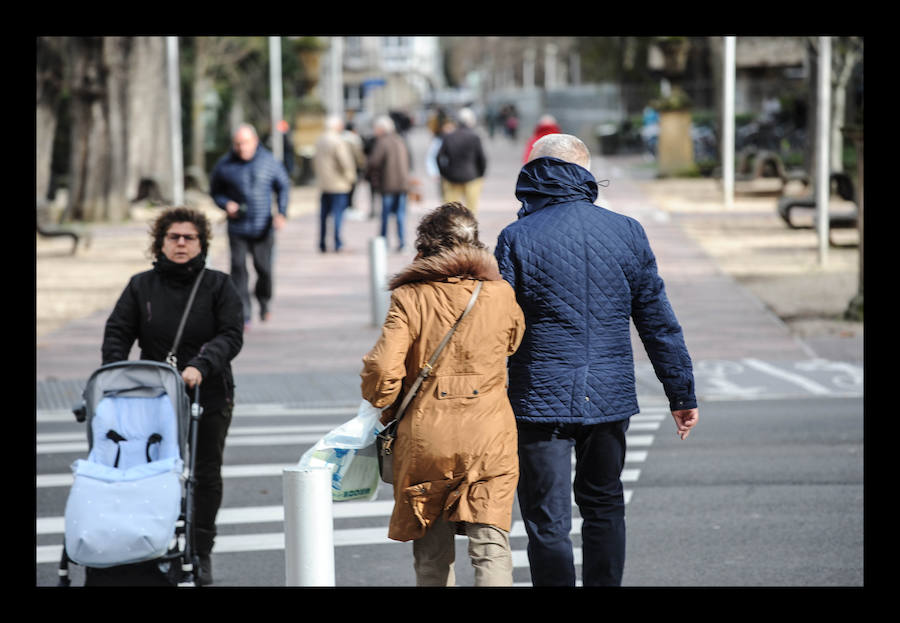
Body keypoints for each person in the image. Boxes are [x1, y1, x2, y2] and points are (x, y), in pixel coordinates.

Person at [494, 133, 699, 587]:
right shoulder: (627, 231)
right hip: (609, 395)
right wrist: (681, 393)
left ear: (534, 174)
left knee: (547, 519)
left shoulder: (515, 237)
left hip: (538, 398)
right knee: (604, 504)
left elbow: (496, 329)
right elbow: (657, 321)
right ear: (586, 175)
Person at [361, 202, 526, 586]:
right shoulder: (500, 293)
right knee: (491, 548)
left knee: (432, 556)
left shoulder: (410, 297)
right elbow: (514, 342)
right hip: (490, 437)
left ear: (425, 247)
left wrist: (379, 397)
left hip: (426, 439)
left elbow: (384, 371)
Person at [101, 206, 244, 586]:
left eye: (189, 237)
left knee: (204, 475)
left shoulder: (218, 285)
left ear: (201, 243)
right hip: (153, 398)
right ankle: (151, 546)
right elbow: (117, 332)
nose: (181, 243)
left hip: (208, 393)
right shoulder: (140, 285)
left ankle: (200, 550)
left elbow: (231, 334)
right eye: (174, 237)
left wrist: (201, 364)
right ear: (161, 242)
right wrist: (115, 374)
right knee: (151, 471)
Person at [209, 123, 290, 329]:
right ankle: (243, 312)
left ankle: (264, 302)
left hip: (263, 226)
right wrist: (225, 204)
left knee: (264, 269)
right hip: (237, 227)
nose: (241, 148)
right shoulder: (225, 164)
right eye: (237, 144)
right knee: (238, 269)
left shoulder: (269, 161)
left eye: (245, 143)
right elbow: (215, 191)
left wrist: (281, 212)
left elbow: (283, 186)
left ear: (254, 141)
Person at [366, 115, 410, 252]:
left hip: (388, 184)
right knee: (400, 215)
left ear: (381, 129)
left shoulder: (382, 142)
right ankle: (402, 242)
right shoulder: (400, 140)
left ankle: (383, 241)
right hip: (402, 184)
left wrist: (369, 174)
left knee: (385, 215)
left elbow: (374, 162)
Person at [313, 115, 357, 253]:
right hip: (338, 184)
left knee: (324, 216)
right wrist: (351, 177)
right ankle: (337, 243)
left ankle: (322, 243)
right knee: (338, 215)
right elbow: (345, 162)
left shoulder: (319, 140)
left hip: (324, 184)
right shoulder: (337, 141)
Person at [437, 107, 487, 214]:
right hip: (472, 177)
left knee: (450, 213)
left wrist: (444, 172)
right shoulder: (474, 137)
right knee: (471, 211)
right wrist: (480, 174)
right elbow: (482, 158)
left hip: (452, 177)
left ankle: (452, 230)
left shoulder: (449, 136)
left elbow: (438, 157)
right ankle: (469, 230)